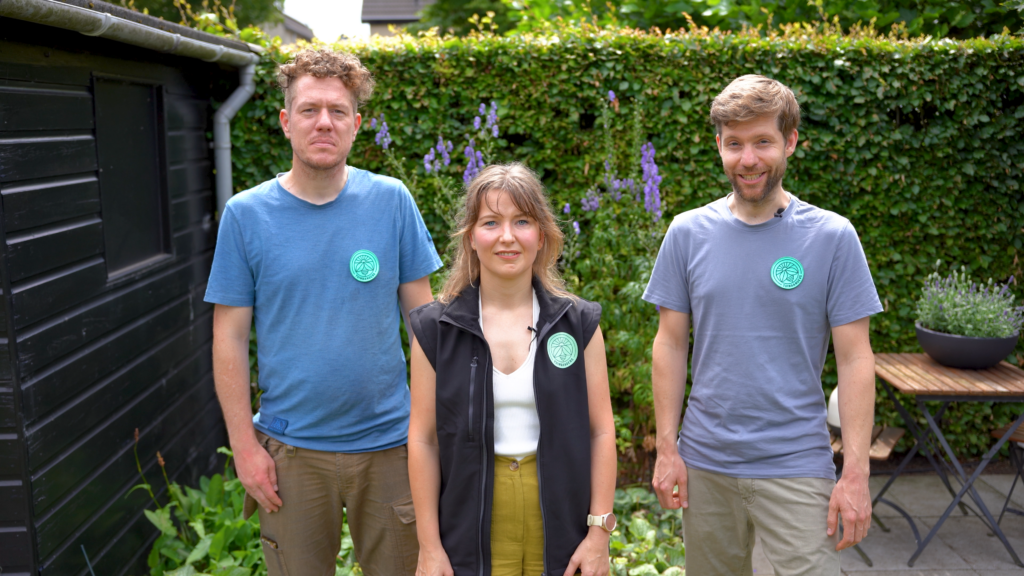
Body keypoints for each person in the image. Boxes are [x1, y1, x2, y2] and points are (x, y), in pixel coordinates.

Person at [205, 49, 441, 576]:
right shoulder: (246, 216)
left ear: (357, 124)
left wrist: (432, 430)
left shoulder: (392, 201)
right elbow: (228, 337)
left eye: (338, 111)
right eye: (309, 110)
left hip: (391, 450)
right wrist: (244, 448)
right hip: (291, 454)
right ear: (287, 122)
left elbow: (425, 327)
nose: (324, 123)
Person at [643, 74, 882, 575]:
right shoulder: (687, 233)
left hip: (796, 465)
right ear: (719, 147)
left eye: (762, 142)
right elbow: (668, 345)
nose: (747, 159)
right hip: (706, 464)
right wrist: (668, 449)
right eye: (734, 144)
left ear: (790, 141)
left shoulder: (832, 237)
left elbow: (856, 358)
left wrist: (856, 472)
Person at [407, 163, 617, 576]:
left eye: (521, 221)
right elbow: (423, 440)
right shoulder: (434, 329)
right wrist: (429, 546)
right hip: (469, 523)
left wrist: (598, 533)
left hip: (562, 519)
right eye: (491, 222)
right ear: (471, 237)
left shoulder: (578, 324)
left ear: (541, 235)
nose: (507, 236)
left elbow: (601, 431)